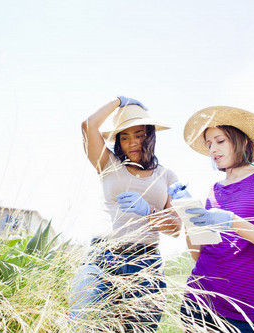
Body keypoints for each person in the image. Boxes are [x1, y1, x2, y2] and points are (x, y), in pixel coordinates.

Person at [168, 106, 254, 333]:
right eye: (209, 144)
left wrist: (232, 221)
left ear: (242, 141)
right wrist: (188, 215)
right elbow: (199, 254)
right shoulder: (213, 190)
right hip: (199, 304)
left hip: (248, 315)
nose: (213, 150)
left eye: (219, 141)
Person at [68, 96, 181, 332]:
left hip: (145, 264)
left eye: (139, 135)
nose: (132, 142)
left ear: (150, 136)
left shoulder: (166, 176)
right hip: (103, 258)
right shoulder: (108, 163)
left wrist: (148, 211)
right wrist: (117, 101)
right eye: (125, 136)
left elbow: (176, 227)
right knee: (82, 325)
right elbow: (88, 126)